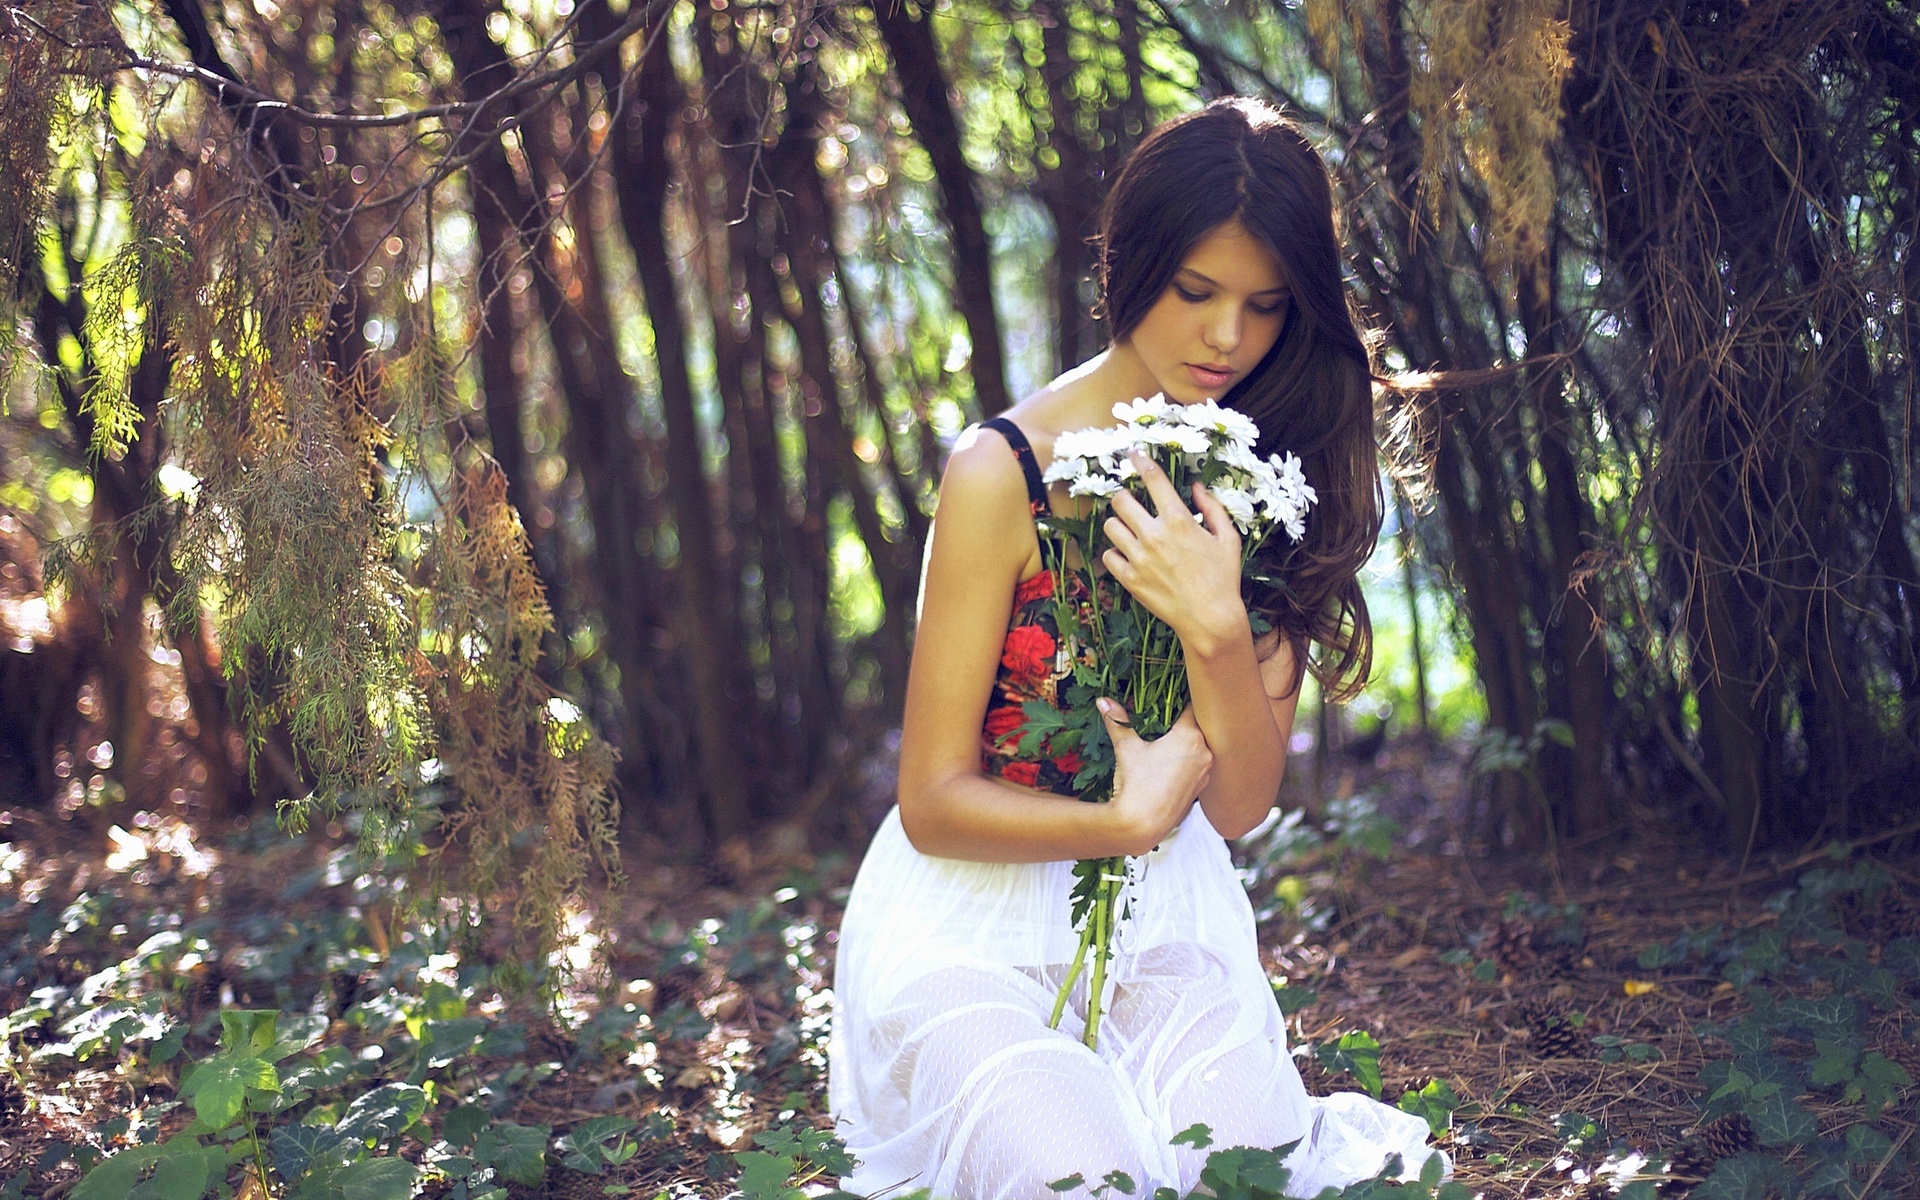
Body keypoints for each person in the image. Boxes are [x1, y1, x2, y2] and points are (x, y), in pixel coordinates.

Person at [827, 98, 1444, 1199]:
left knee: (1238, 1170)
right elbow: (930, 797)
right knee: (1080, 1176)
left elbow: (1242, 803)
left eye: (1265, 306)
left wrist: (1213, 626)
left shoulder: (1269, 470)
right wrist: (1121, 819)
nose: (1227, 339)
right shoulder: (1000, 472)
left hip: (1167, 923)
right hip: (966, 929)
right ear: (1130, 267)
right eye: (1196, 292)